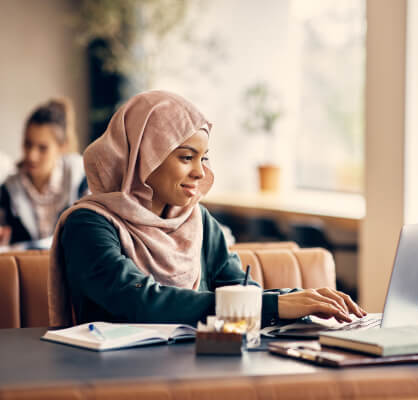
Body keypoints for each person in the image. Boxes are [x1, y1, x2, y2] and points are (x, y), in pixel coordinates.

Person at [48, 90, 366, 328]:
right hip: (113, 378)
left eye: (204, 158)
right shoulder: (89, 225)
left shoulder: (198, 221)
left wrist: (301, 299)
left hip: (196, 368)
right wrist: (277, 304)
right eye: (186, 157)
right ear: (143, 156)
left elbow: (242, 291)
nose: (200, 172)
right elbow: (137, 301)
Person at [0, 98, 88, 247]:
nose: (31, 156)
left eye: (43, 148)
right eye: (28, 144)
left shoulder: (80, 179)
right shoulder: (8, 190)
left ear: (62, 147)